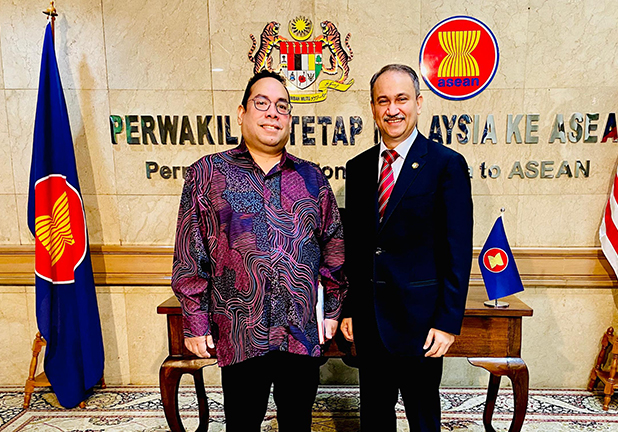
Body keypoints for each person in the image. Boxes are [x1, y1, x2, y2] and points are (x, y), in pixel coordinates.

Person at [171, 69, 347, 431]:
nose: (272, 113)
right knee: (242, 423)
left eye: (282, 106)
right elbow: (190, 253)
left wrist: (332, 309)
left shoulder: (312, 178)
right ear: (242, 113)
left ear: (290, 119)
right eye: (262, 103)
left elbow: (333, 246)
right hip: (240, 331)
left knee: (298, 423)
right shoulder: (208, 174)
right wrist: (195, 321)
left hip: (299, 331)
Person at [340, 64, 473, 431]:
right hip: (370, 321)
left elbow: (458, 250)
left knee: (423, 419)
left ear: (418, 102)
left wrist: (447, 323)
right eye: (383, 100)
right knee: (374, 418)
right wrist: (350, 309)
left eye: (401, 99)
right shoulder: (358, 167)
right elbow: (356, 247)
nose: (392, 109)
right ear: (372, 107)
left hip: (422, 323)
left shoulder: (446, 165)